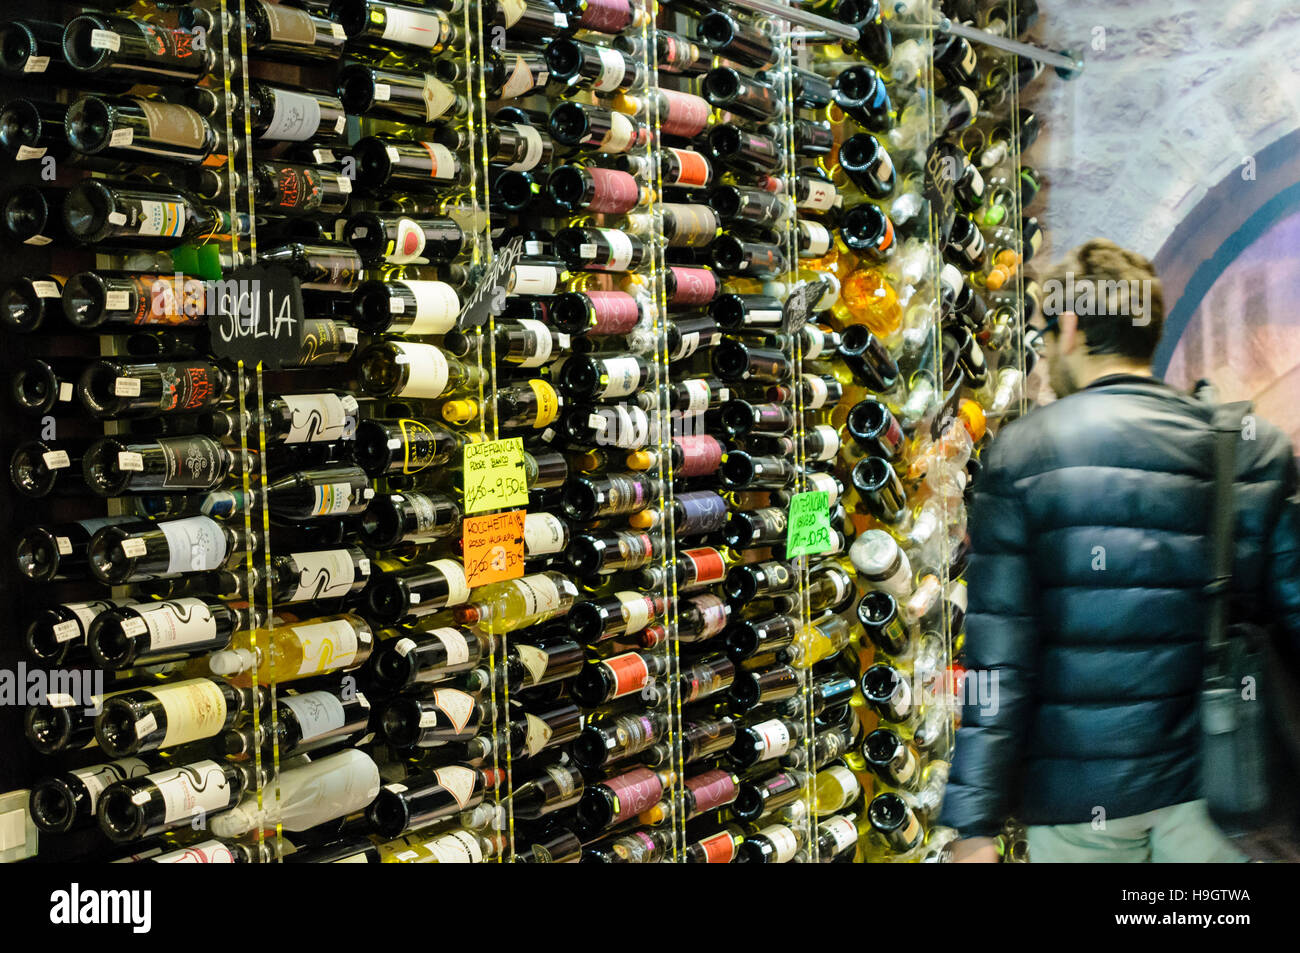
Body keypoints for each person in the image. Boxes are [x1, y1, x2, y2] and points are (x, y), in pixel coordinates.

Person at [940, 239, 1300, 862]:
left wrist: (976, 824)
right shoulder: (1251, 449)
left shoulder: (1022, 457)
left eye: (1045, 336)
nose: (1046, 354)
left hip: (1079, 802)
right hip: (1221, 791)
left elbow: (998, 667)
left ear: (1072, 327)